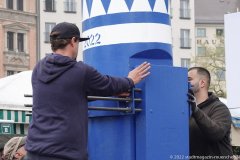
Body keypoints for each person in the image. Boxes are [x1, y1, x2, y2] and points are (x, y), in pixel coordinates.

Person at [25, 22, 151, 160]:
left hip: (34, 151)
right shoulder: (80, 71)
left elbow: (66, 94)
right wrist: (130, 80)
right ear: (73, 41)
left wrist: (106, 93)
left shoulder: (38, 69)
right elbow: (107, 84)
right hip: (63, 154)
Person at [188, 67, 233, 159]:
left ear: (202, 83)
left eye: (189, 80)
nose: (185, 83)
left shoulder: (219, 108)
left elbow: (216, 133)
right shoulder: (185, 109)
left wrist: (195, 110)